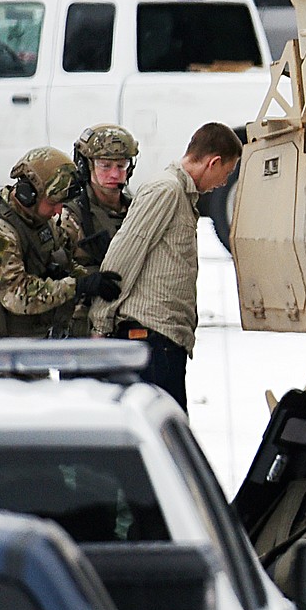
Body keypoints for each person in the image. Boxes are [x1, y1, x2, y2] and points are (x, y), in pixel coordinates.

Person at [89, 122, 241, 412]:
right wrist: (101, 322)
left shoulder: (183, 196)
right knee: (160, 430)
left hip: (166, 339)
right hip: (150, 337)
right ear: (214, 162)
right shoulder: (166, 190)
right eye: (229, 172)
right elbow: (125, 253)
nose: (225, 182)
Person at [0, 146, 122, 339]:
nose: (59, 211)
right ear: (29, 195)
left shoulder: (40, 222)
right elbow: (17, 295)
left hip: (29, 341)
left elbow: (62, 258)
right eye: (53, 203)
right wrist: (77, 286)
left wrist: (92, 279)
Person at [59, 124, 139, 336]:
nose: (114, 174)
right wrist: (87, 281)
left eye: (121, 166)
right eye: (105, 166)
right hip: (83, 325)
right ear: (87, 166)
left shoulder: (136, 210)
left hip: (129, 319)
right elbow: (54, 271)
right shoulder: (71, 214)